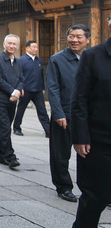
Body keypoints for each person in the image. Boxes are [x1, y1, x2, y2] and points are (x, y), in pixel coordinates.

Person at [69, 16, 111, 228]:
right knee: (96, 195)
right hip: (99, 139)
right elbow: (80, 99)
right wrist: (80, 136)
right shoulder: (94, 56)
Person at [47, 25, 90, 203]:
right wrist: (58, 113)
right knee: (60, 154)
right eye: (71, 36)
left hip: (87, 116)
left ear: (87, 39)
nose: (75, 40)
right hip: (64, 113)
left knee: (88, 153)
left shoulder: (91, 58)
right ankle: (63, 186)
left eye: (79, 37)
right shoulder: (57, 59)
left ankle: (89, 188)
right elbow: (53, 88)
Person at [0, 34, 24, 168]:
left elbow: (21, 78)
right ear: (4, 44)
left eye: (14, 44)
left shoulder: (19, 62)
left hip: (12, 99)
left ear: (18, 46)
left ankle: (0, 155)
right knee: (4, 128)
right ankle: (10, 156)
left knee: (6, 128)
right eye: (9, 43)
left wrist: (18, 92)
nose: (12, 46)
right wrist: (13, 91)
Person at [13, 40, 51, 138]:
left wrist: (42, 87)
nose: (36, 49)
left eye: (36, 47)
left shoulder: (39, 60)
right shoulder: (21, 60)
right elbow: (17, 76)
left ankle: (48, 131)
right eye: (33, 47)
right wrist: (19, 88)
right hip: (26, 90)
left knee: (42, 111)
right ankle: (17, 128)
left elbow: (41, 75)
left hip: (37, 90)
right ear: (28, 48)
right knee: (21, 109)